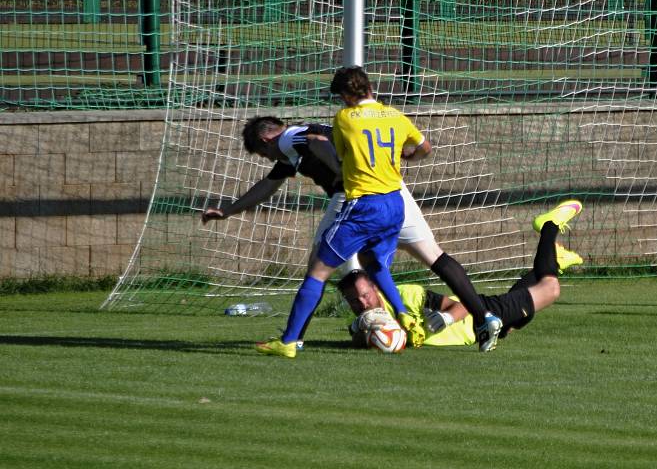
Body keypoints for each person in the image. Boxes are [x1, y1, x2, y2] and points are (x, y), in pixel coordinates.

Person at [202, 114, 501, 351]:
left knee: (317, 268)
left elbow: (318, 143)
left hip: (355, 195)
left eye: (263, 153)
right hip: (393, 191)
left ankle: (293, 340)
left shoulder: (289, 139)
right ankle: (481, 317)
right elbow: (268, 185)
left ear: (267, 138)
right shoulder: (299, 146)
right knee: (421, 256)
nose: (269, 159)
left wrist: (341, 170)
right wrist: (229, 209)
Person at [339, 200, 584, 348]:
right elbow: (360, 341)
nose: (362, 303)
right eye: (354, 301)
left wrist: (446, 319)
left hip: (483, 314)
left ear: (374, 287)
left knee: (550, 289)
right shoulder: (363, 323)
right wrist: (369, 333)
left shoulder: (405, 295)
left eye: (364, 295)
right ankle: (556, 258)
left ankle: (549, 226)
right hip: (482, 334)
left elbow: (461, 306)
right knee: (519, 318)